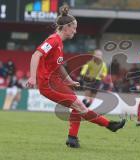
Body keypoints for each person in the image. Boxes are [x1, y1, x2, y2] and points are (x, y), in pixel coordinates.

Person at [26, 4, 125, 148]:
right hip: (48, 84)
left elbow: (58, 66)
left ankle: (72, 138)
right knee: (80, 107)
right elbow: (36, 54)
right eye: (74, 27)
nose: (75, 30)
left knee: (77, 106)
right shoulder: (53, 40)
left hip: (55, 82)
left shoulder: (58, 42)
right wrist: (32, 77)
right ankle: (110, 125)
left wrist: (69, 80)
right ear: (66, 27)